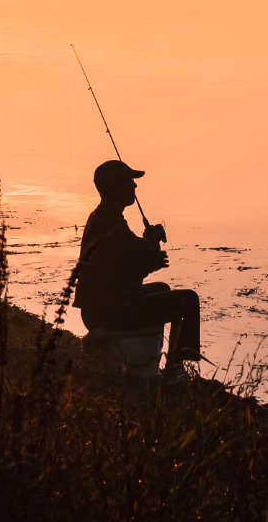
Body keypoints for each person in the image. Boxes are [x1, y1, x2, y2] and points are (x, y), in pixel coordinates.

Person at [75, 159, 202, 379]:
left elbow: (130, 266)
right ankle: (175, 367)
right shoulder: (110, 224)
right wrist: (152, 244)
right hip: (109, 312)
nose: (134, 186)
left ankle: (172, 363)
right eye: (128, 181)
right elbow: (139, 258)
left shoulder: (103, 217)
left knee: (162, 289)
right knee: (188, 300)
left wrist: (150, 251)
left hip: (102, 307)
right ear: (114, 187)